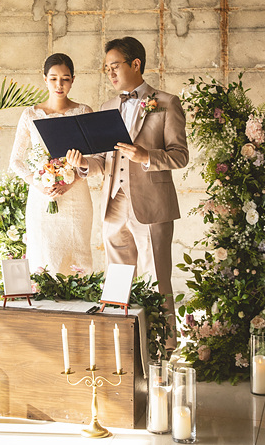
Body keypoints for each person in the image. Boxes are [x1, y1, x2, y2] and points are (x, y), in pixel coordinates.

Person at [66, 36, 189, 332]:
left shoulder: (166, 103)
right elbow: (102, 160)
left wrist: (147, 156)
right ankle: (121, 343)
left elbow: (180, 156)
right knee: (117, 283)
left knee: (156, 280)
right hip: (114, 204)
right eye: (106, 67)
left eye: (115, 65)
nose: (110, 72)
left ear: (135, 64)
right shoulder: (107, 106)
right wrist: (83, 164)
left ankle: (164, 348)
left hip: (152, 206)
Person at [9, 53, 93, 277]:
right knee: (44, 256)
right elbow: (15, 160)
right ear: (45, 79)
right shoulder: (30, 115)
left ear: (73, 80)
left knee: (77, 256)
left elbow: (96, 158)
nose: (59, 85)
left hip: (76, 197)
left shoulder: (84, 112)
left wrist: (71, 181)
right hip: (42, 197)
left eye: (65, 79)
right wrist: (38, 185)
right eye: (54, 78)